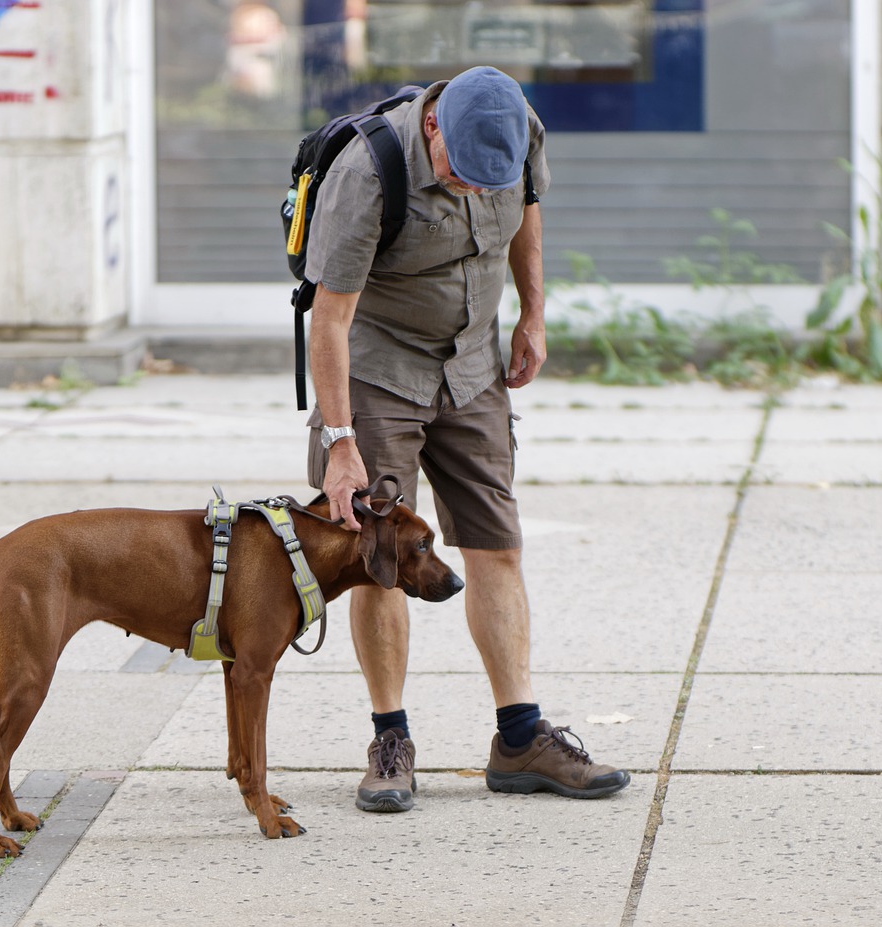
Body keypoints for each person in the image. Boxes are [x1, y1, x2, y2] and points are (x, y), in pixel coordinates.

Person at [304, 65, 630, 812]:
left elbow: (530, 212)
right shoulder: (370, 171)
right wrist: (342, 439)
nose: (476, 190)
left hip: (474, 362)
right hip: (380, 370)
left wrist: (533, 316)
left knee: (497, 539)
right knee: (379, 557)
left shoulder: (519, 130)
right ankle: (391, 740)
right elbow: (330, 318)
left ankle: (520, 737)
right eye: (461, 174)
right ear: (431, 128)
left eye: (493, 179)